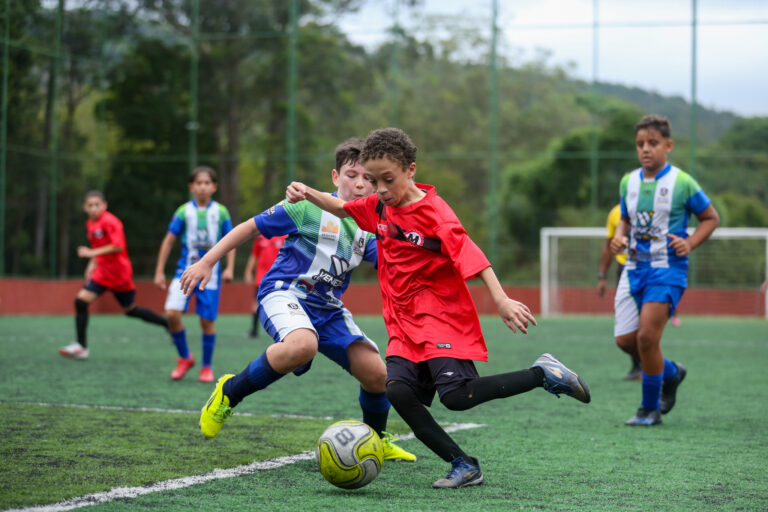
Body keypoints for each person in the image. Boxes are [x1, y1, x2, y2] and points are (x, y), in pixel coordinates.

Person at [284, 128, 591, 489]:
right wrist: (305, 192)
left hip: (440, 317)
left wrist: (502, 300)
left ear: (410, 170)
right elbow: (339, 206)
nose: (380, 190)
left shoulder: (435, 213)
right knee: (396, 390)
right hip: (402, 322)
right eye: (372, 181)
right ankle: (462, 464)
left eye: (388, 180)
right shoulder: (378, 207)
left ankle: (542, 374)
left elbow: (472, 256)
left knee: (457, 397)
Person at [179, 138, 415, 462]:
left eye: (368, 179)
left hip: (328, 308)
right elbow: (249, 228)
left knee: (378, 374)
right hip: (284, 292)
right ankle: (229, 393)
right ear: (335, 177)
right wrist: (207, 261)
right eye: (351, 175)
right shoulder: (307, 207)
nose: (360, 184)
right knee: (303, 346)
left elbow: (394, 262)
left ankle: (376, 440)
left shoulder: (371, 226)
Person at [610, 115, 719, 426]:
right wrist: (619, 237)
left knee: (646, 337)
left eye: (653, 143)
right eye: (640, 144)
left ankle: (649, 409)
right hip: (633, 269)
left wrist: (691, 242)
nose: (646, 149)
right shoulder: (627, 181)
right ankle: (671, 373)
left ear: (668, 146)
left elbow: (711, 218)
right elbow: (626, 219)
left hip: (667, 269)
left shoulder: (682, 183)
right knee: (625, 341)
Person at [58, 190, 168, 360]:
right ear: (85, 208)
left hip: (119, 274)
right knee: (80, 301)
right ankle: (81, 347)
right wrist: (92, 264)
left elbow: (118, 246)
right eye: (90, 205)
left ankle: (167, 324)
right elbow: (98, 247)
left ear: (104, 205)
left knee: (130, 310)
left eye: (97, 205)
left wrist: (91, 253)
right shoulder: (90, 224)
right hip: (102, 273)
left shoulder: (111, 222)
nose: (94, 208)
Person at [154, 167, 235, 383]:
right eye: (198, 183)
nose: (202, 187)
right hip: (184, 272)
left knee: (206, 321)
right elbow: (169, 240)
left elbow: (232, 240)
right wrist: (159, 270)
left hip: (211, 276)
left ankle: (206, 367)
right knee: (171, 314)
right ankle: (184, 357)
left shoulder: (221, 212)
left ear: (214, 187)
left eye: (207, 183)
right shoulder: (183, 212)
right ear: (191, 187)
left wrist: (229, 268)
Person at [598, 203, 642, 380]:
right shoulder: (615, 213)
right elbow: (609, 246)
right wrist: (602, 276)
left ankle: (650, 366)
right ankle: (638, 365)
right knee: (626, 323)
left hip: (650, 267)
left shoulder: (655, 205)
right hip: (624, 268)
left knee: (645, 321)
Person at [243, 234, 286, 338]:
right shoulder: (260, 237)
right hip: (261, 277)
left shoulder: (285, 237)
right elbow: (254, 255)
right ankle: (254, 331)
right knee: (256, 303)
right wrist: (248, 272)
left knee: (281, 303)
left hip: (278, 276)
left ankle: (283, 332)